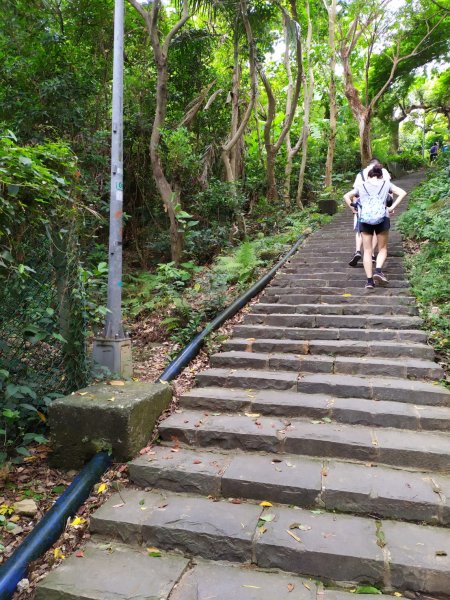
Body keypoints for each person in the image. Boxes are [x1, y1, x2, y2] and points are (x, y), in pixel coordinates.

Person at [344, 165, 407, 290]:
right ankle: (378, 271)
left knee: (367, 251)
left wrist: (353, 208)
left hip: (365, 219)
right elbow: (403, 193)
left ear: (369, 175)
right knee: (382, 248)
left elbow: (346, 196)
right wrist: (392, 207)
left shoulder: (361, 185)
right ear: (381, 175)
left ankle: (369, 281)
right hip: (382, 218)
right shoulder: (386, 184)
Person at [348, 159, 391, 267]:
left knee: (359, 229)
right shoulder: (383, 171)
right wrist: (389, 205)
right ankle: (371, 254)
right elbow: (389, 190)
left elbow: (354, 192)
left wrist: (353, 207)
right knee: (377, 230)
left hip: (363, 208)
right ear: (378, 165)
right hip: (380, 209)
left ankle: (358, 250)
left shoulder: (360, 174)